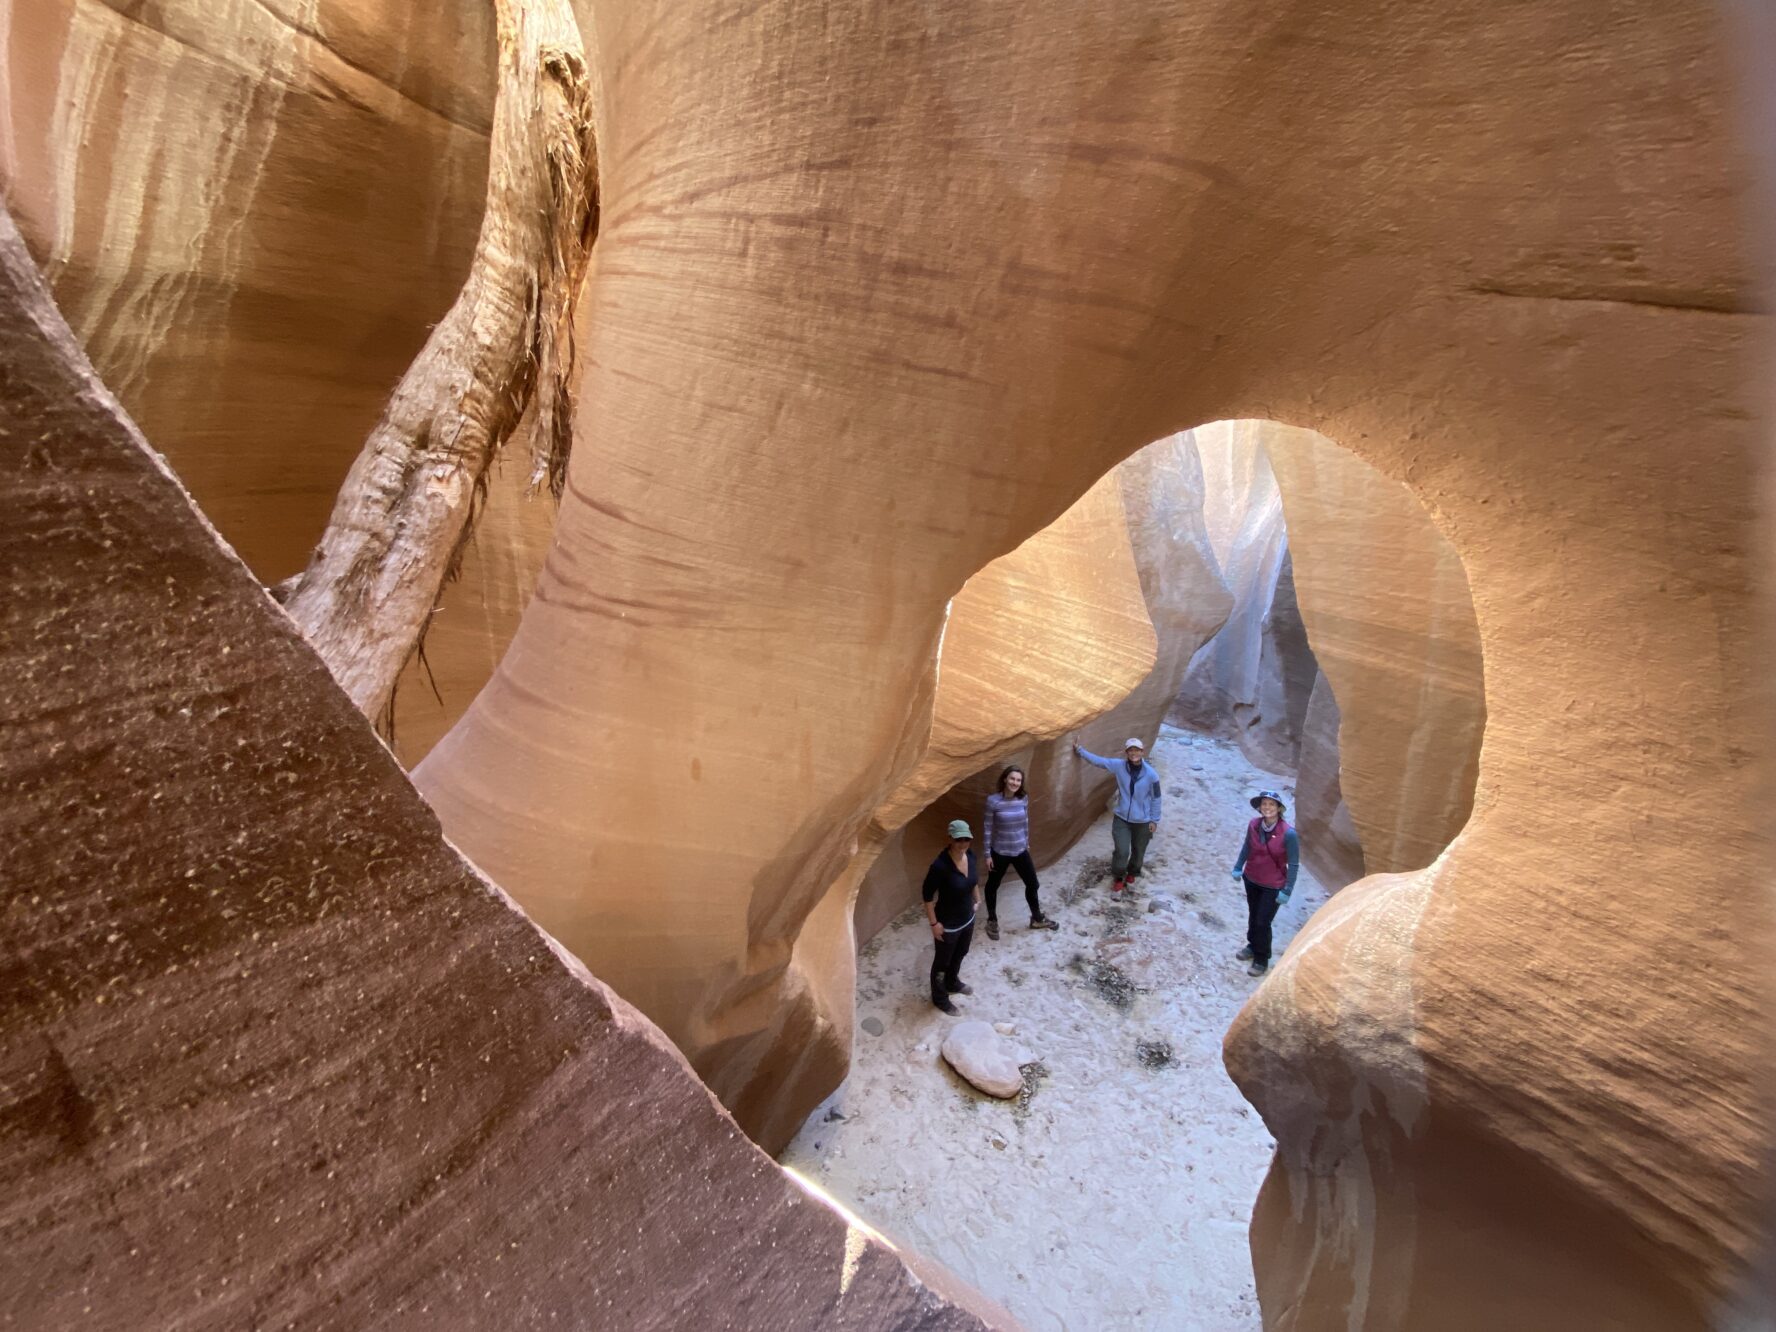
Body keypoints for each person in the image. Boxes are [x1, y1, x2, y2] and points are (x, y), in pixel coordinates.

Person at [1072, 736, 1164, 891]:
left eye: (1136, 750)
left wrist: (1154, 820)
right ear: (1126, 752)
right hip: (1122, 818)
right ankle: (1119, 876)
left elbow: (1156, 799)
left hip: (1142, 821)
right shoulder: (1119, 766)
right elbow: (1099, 761)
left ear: (1142, 752)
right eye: (1130, 750)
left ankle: (1132, 874)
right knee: (1122, 850)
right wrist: (1080, 751)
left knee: (1138, 851)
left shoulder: (1151, 775)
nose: (1133, 753)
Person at [981, 765, 1059, 938]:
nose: (1015, 782)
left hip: (1020, 850)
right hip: (1000, 852)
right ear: (1004, 779)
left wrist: (1026, 842)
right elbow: (987, 828)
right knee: (992, 886)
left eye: (1018, 780)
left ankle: (1037, 919)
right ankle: (992, 920)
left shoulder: (1023, 798)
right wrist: (987, 854)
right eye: (1012, 779)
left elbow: (1025, 822)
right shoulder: (993, 801)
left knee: (1033, 884)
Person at [1230, 790, 1299, 976]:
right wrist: (1238, 867)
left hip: (1273, 885)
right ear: (1259, 807)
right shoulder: (1254, 825)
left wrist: (1288, 890)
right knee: (1253, 915)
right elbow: (1247, 846)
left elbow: (1293, 863)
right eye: (1264, 804)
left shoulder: (1288, 833)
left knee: (1263, 921)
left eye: (1272, 804)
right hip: (1251, 878)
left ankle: (1262, 958)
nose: (1267, 808)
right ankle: (1252, 945)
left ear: (1279, 808)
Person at [922, 818, 981, 1013]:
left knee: (960, 953)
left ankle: (952, 982)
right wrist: (934, 924)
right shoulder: (940, 866)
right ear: (950, 839)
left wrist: (977, 900)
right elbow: (927, 896)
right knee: (942, 963)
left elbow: (973, 881)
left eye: (966, 839)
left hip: (967, 918)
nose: (963, 844)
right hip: (947, 924)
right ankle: (940, 998)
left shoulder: (970, 855)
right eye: (958, 840)